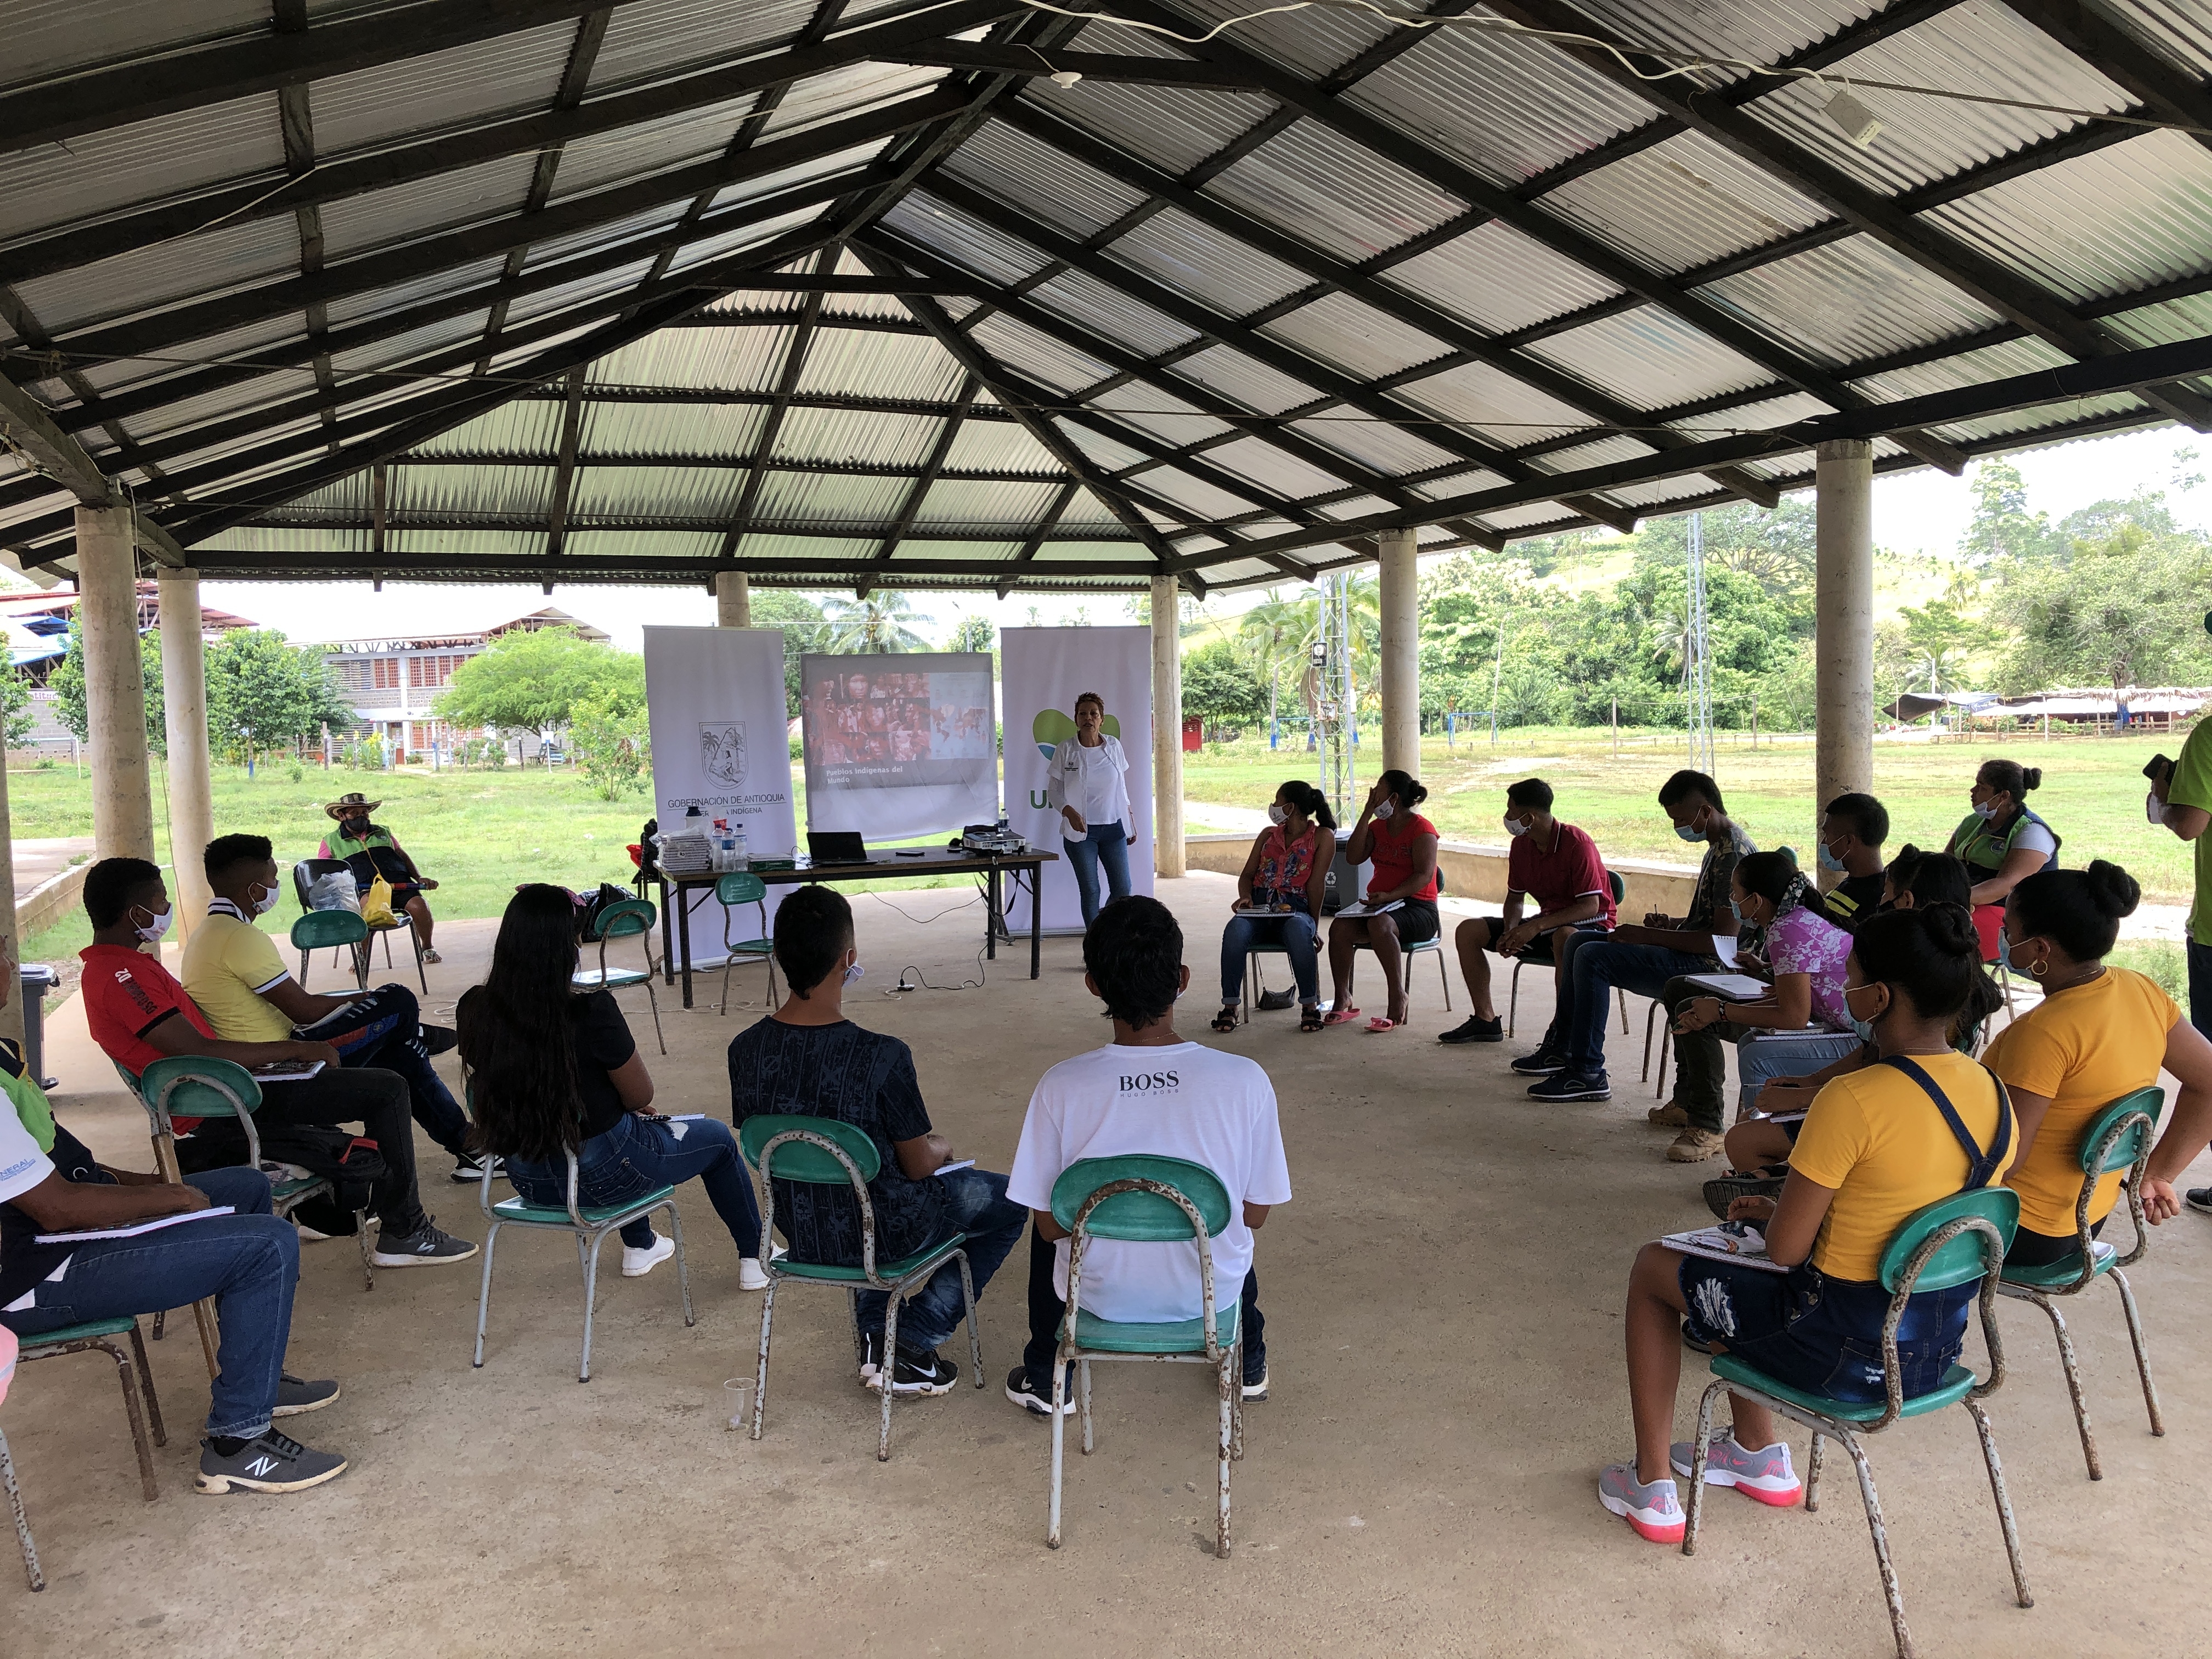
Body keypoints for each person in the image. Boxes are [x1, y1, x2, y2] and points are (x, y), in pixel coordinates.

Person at [1600, 904, 2014, 1544]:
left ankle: (1651, 1485)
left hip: (1842, 1354)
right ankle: (1754, 1453)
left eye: (1850, 980)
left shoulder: (1853, 1099)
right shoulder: (1992, 1091)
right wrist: (1778, 1212)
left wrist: (1776, 1220)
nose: (1843, 993)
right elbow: (1898, 1213)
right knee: (1727, 1259)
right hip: (1931, 1348)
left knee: (1659, 1267)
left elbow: (1788, 1250)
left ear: (1877, 998)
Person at [0, 951, 348, 1495]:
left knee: (244, 1187)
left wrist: (141, 1187)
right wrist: (162, 1200)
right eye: (2, 950)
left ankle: (258, 1381)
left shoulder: (2, 1062)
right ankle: (239, 1443)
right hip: (37, 1273)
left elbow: (64, 1173)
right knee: (269, 1245)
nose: (8, 960)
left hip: (61, 1239)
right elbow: (58, 1207)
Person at [77, 857, 475, 1269]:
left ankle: (382, 1198)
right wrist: (292, 1052)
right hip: (219, 1104)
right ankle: (405, 1229)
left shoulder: (125, 965)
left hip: (228, 1087)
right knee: (387, 1088)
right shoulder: (121, 975)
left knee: (390, 1058)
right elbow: (194, 1051)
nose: (166, 910)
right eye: (159, 902)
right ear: (136, 914)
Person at [727, 884, 1026, 1395]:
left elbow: (775, 1142)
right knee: (1013, 1201)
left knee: (855, 1184)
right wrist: (942, 1147)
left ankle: (876, 1336)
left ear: (777, 957)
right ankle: (914, 1338)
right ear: (849, 959)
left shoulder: (744, 1051)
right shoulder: (882, 1056)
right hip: (886, 1231)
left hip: (803, 1230)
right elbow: (916, 1165)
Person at [1007, 895, 1288, 1416]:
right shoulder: (1245, 1080)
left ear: (1093, 983)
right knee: (1229, 1217)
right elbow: (1258, 1213)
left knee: (1044, 1209)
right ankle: (1246, 1362)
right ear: (1182, 979)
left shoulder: (1060, 1086)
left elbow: (1050, 1228)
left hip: (1097, 1301)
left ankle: (1049, 1377)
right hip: (1208, 1302)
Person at [460, 884, 767, 1288]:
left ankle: (640, 1243)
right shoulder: (592, 1009)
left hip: (528, 1179)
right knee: (716, 1142)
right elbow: (641, 1096)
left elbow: (507, 1083)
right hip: (600, 1176)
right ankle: (755, 1256)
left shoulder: (474, 1008)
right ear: (566, 949)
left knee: (620, 1128)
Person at [182, 833, 490, 1186]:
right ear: (254, 891)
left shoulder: (210, 933)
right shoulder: (240, 938)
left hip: (278, 1047)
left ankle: (471, 1148)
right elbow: (305, 1011)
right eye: (272, 880)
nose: (276, 886)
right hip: (287, 1060)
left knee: (401, 1051)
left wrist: (358, 1001)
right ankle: (418, 1039)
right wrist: (361, 1000)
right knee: (398, 999)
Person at [1720, 845, 2001, 1182]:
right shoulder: (1941, 978)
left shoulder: (1913, 995)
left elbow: (1885, 1089)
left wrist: (1806, 1096)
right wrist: (1808, 1084)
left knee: (1748, 1141)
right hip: (1894, 1112)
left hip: (1896, 1127)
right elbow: (1872, 1054)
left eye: (1851, 979)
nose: (1845, 986)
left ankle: (1784, 1188)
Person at [1983, 862, 2212, 1263]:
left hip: (2022, 1230)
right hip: (2088, 1219)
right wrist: (2159, 1174)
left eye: (2009, 931)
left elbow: (2006, 1158)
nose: (2003, 940)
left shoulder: (2043, 1033)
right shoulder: (2141, 990)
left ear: (2040, 950)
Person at [1524, 772, 1756, 1141]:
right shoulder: (1720, 846)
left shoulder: (1732, 855)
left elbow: (1723, 942)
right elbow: (1713, 922)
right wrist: (1672, 924)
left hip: (1714, 967)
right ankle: (1564, 1047)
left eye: (1682, 820)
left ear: (1706, 810)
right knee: (1580, 943)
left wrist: (1646, 935)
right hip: (1699, 953)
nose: (1679, 828)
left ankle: (1587, 1071)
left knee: (1592, 957)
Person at [1666, 852, 1861, 1155]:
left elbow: (1795, 1016)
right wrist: (1719, 1008)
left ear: (1756, 899)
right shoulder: (1792, 921)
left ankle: (1763, 1148)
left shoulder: (1788, 928)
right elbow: (1797, 996)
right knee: (1703, 1009)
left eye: (1736, 892)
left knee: (1757, 1051)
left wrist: (1719, 1010)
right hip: (1845, 1030)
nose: (1732, 899)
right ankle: (1746, 1133)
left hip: (1860, 1039)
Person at [1438, 778, 1615, 1046]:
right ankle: (1485, 1020)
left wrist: (1535, 927)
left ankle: (1563, 1031)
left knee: (1565, 938)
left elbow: (1590, 906)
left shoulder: (1577, 844)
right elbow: (1515, 897)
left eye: (1511, 811)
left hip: (1592, 926)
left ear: (1529, 817)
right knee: (1469, 931)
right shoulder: (1522, 845)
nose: (1507, 817)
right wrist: (1511, 929)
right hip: (1546, 925)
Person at [1212, 780, 1335, 1036]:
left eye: (1277, 802)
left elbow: (1316, 885)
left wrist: (1313, 924)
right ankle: (1230, 1006)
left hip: (1296, 908)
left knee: (1298, 930)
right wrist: (1246, 898)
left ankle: (1310, 1005)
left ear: (1291, 807)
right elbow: (1247, 876)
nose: (1273, 807)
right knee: (1235, 930)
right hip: (1259, 907)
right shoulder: (1268, 835)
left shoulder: (1322, 837)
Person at [1324, 770, 1440, 1032]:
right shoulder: (1376, 828)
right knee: (1339, 928)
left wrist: (1390, 896)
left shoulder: (1422, 830)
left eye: (1379, 789)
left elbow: (1424, 876)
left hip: (1418, 908)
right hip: (1380, 906)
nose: (1373, 793)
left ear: (1394, 797)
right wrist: (1366, 813)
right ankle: (1343, 997)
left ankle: (1397, 996)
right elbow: (1352, 857)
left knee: (1381, 926)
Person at [1945, 759, 2059, 962]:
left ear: (2004, 796)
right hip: (1964, 906)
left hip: (2011, 920)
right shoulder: (1972, 822)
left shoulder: (2032, 831)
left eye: (1982, 787)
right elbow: (1945, 865)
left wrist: (1954, 898)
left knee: (1936, 938)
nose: (1973, 791)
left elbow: (2006, 885)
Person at [1045, 693, 1135, 928]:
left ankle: (1106, 934)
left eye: (1094, 714)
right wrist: (1069, 812)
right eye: (1083, 714)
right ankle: (1095, 948)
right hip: (1081, 834)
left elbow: (1122, 787)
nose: (1088, 718)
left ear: (1102, 719)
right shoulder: (1066, 749)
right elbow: (1053, 792)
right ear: (1076, 719)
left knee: (1123, 888)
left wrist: (1130, 822)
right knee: (1091, 891)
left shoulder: (1114, 746)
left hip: (1113, 828)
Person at [318, 792, 442, 963]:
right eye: (355, 813)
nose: (361, 817)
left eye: (364, 812)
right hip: (366, 890)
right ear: (341, 816)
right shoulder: (331, 841)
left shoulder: (382, 832)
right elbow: (323, 871)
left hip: (398, 886)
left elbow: (402, 855)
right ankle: (362, 958)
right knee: (368, 910)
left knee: (419, 906)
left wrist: (419, 878)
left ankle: (427, 948)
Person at [1812, 792, 1888, 933]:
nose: (1824, 843)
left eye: (1827, 836)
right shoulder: (1853, 883)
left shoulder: (1873, 906)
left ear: (1848, 841)